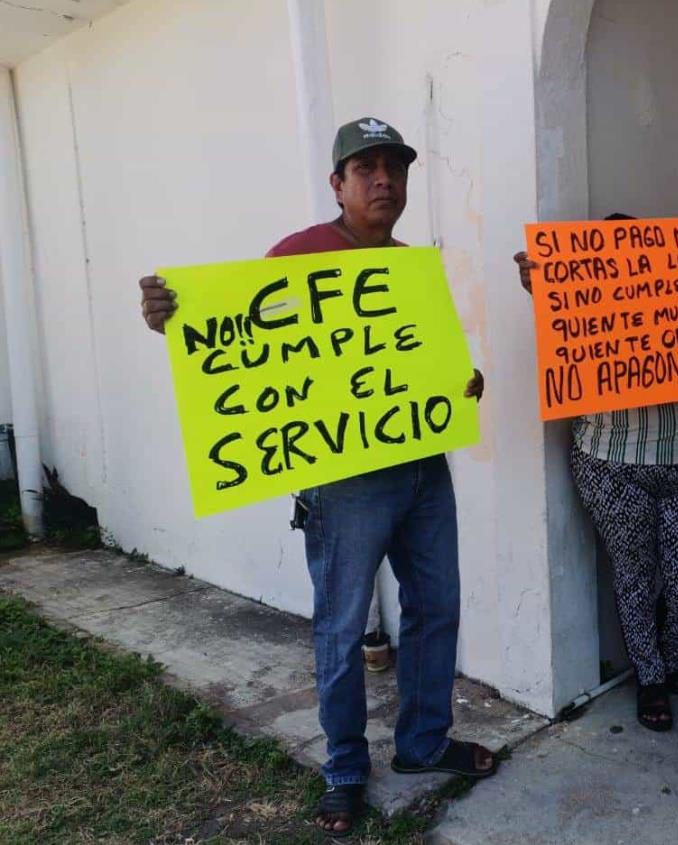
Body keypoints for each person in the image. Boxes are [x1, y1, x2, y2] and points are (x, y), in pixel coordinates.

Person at [140, 117, 496, 837]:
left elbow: (417, 362)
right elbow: (237, 338)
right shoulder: (298, 253)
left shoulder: (410, 265)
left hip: (424, 465)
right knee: (340, 628)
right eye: (365, 168)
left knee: (437, 607)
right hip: (344, 482)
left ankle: (423, 742)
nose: (383, 181)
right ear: (337, 184)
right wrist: (170, 319)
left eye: (393, 168)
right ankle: (343, 768)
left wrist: (461, 383)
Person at [512, 217, 678, 732]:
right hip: (610, 464)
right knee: (634, 574)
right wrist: (542, 287)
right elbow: (561, 335)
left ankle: (666, 665)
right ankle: (653, 678)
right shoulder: (587, 310)